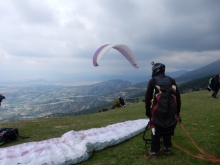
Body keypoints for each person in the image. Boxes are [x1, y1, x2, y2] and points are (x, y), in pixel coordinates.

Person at [145, 62, 181, 157]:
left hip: (158, 111)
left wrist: (148, 112)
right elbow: (177, 97)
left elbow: (148, 98)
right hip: (171, 110)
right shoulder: (172, 80)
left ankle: (154, 150)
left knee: (156, 129)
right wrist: (177, 112)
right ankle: (167, 148)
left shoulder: (152, 81)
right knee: (168, 126)